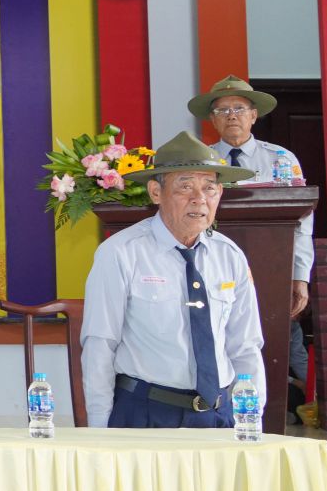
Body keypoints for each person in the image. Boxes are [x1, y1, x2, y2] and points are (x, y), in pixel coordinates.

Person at [80, 130, 264, 428]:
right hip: (147, 414)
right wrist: (100, 428)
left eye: (209, 188)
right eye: (185, 186)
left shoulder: (229, 255)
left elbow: (245, 346)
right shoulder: (121, 253)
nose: (199, 199)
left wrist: (251, 418)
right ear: (156, 192)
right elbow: (100, 345)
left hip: (219, 415)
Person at [190, 75, 313, 373]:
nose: (231, 115)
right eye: (222, 110)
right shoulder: (199, 162)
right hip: (213, 266)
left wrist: (300, 275)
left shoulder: (281, 160)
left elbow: (302, 225)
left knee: (281, 344)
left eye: (239, 108)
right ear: (212, 119)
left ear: (254, 115)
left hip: (271, 267)